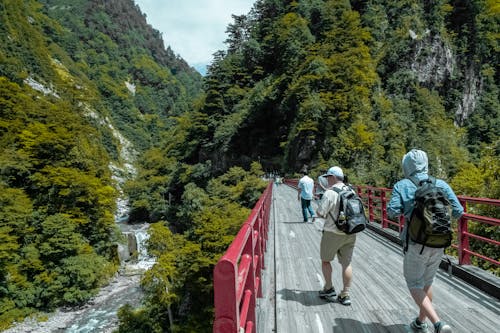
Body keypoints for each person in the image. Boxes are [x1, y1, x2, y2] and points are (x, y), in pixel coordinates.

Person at [387, 149, 463, 333]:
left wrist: (410, 210)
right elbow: (459, 210)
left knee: (414, 284)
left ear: (407, 166)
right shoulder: (441, 184)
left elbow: (392, 212)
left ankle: (438, 323)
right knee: (427, 283)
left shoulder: (402, 185)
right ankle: (420, 323)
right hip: (439, 243)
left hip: (416, 243)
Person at [315, 166, 356, 305]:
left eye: (327, 177)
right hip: (350, 232)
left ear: (333, 177)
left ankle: (329, 288)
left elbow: (320, 213)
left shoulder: (330, 193)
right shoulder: (351, 190)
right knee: (347, 264)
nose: (326, 180)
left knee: (326, 260)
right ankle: (345, 294)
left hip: (332, 232)